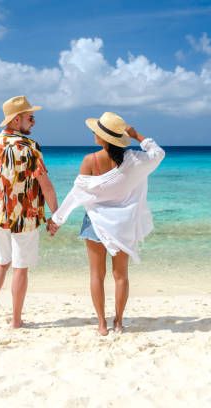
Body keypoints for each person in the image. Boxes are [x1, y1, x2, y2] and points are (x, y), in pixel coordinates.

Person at [48, 112, 165, 335]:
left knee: (96, 275)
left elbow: (76, 194)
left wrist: (57, 219)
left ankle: (102, 324)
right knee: (121, 275)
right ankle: (119, 322)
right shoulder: (135, 160)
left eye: (97, 131)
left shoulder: (90, 161)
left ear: (103, 138)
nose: (94, 133)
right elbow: (158, 153)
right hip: (123, 225)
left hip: (95, 223)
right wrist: (136, 135)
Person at [0, 95, 58, 330]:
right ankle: (15, 320)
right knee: (20, 267)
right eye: (30, 118)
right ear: (15, 121)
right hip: (26, 216)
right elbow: (46, 185)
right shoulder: (30, 147)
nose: (33, 122)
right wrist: (56, 216)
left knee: (1, 262)